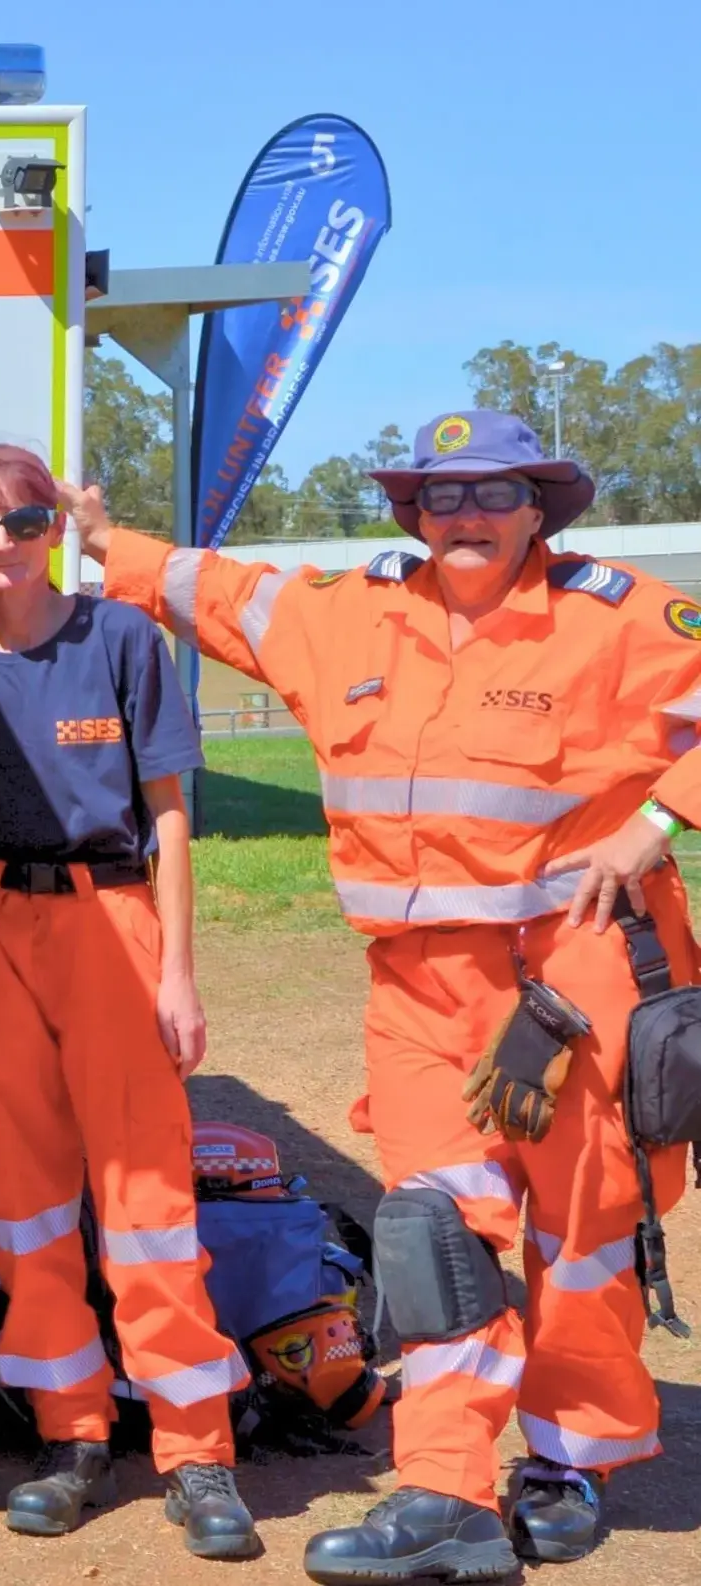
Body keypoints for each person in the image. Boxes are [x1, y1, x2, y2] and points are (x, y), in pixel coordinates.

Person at [73, 410, 701, 1583]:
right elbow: (216, 588)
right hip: (411, 989)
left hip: (569, 968)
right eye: (441, 496)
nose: (465, 515)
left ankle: (572, 1458)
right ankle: (443, 1487)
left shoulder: (616, 620)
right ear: (412, 512)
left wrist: (656, 823)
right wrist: (104, 538)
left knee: (578, 1239)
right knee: (428, 1234)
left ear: (539, 509)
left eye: (493, 493)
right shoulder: (344, 610)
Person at [0, 445, 258, 1559]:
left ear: (54, 523)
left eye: (20, 521)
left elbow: (167, 814)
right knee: (17, 1205)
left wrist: (176, 970)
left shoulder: (119, 636)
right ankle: (69, 1435)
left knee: (145, 1193)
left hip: (108, 919)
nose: (1, 546)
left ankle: (193, 1445)